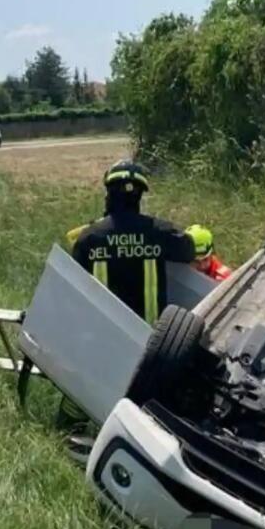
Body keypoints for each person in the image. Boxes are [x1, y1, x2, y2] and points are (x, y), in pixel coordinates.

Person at [59, 160, 196, 454]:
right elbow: (188, 250)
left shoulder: (89, 237)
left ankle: (64, 436)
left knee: (84, 390)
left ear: (108, 193)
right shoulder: (157, 231)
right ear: (140, 196)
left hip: (98, 339)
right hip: (150, 339)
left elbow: (73, 287)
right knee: (146, 402)